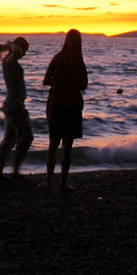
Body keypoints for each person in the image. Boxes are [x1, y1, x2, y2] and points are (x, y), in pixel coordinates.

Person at [42, 29, 88, 192]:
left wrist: (58, 81)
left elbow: (46, 81)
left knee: (53, 145)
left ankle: (48, 182)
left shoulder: (57, 58)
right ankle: (63, 182)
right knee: (67, 148)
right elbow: (84, 85)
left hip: (56, 105)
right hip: (72, 107)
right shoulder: (79, 61)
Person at [0, 36, 34, 180]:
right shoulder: (10, 60)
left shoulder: (10, 61)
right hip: (15, 105)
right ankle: (15, 171)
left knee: (9, 139)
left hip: (13, 104)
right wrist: (11, 46)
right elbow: (16, 52)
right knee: (26, 137)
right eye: (25, 50)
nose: (25, 54)